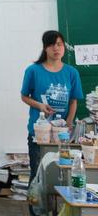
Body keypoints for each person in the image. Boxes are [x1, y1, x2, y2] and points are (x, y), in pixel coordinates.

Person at [20, 30, 83, 182]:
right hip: (39, 134)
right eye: (52, 45)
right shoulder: (33, 71)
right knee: (37, 176)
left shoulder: (71, 72)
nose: (56, 48)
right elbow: (24, 96)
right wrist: (40, 106)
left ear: (64, 47)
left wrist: (69, 123)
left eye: (59, 44)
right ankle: (35, 199)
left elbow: (73, 101)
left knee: (63, 176)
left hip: (63, 135)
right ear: (45, 48)